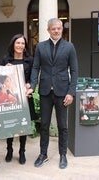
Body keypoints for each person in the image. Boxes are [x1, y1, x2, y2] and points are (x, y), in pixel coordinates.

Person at [26, 18, 78, 169]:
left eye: (59, 28)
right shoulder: (40, 47)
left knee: (63, 126)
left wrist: (71, 92)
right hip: (45, 92)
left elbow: (74, 71)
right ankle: (43, 154)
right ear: (48, 30)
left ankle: (63, 155)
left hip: (63, 92)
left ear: (62, 30)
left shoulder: (69, 47)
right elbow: (35, 68)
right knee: (44, 125)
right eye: (53, 28)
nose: (56, 31)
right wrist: (33, 86)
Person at [1, 34, 37, 165]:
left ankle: (22, 151)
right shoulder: (6, 59)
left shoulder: (30, 60)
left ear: (25, 45)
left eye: (22, 43)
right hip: (10, 97)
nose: (20, 45)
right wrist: (3, 69)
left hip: (24, 96)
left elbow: (33, 78)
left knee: (23, 124)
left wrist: (30, 86)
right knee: (9, 124)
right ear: (13, 44)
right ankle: (9, 149)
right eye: (18, 43)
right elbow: (0, 79)